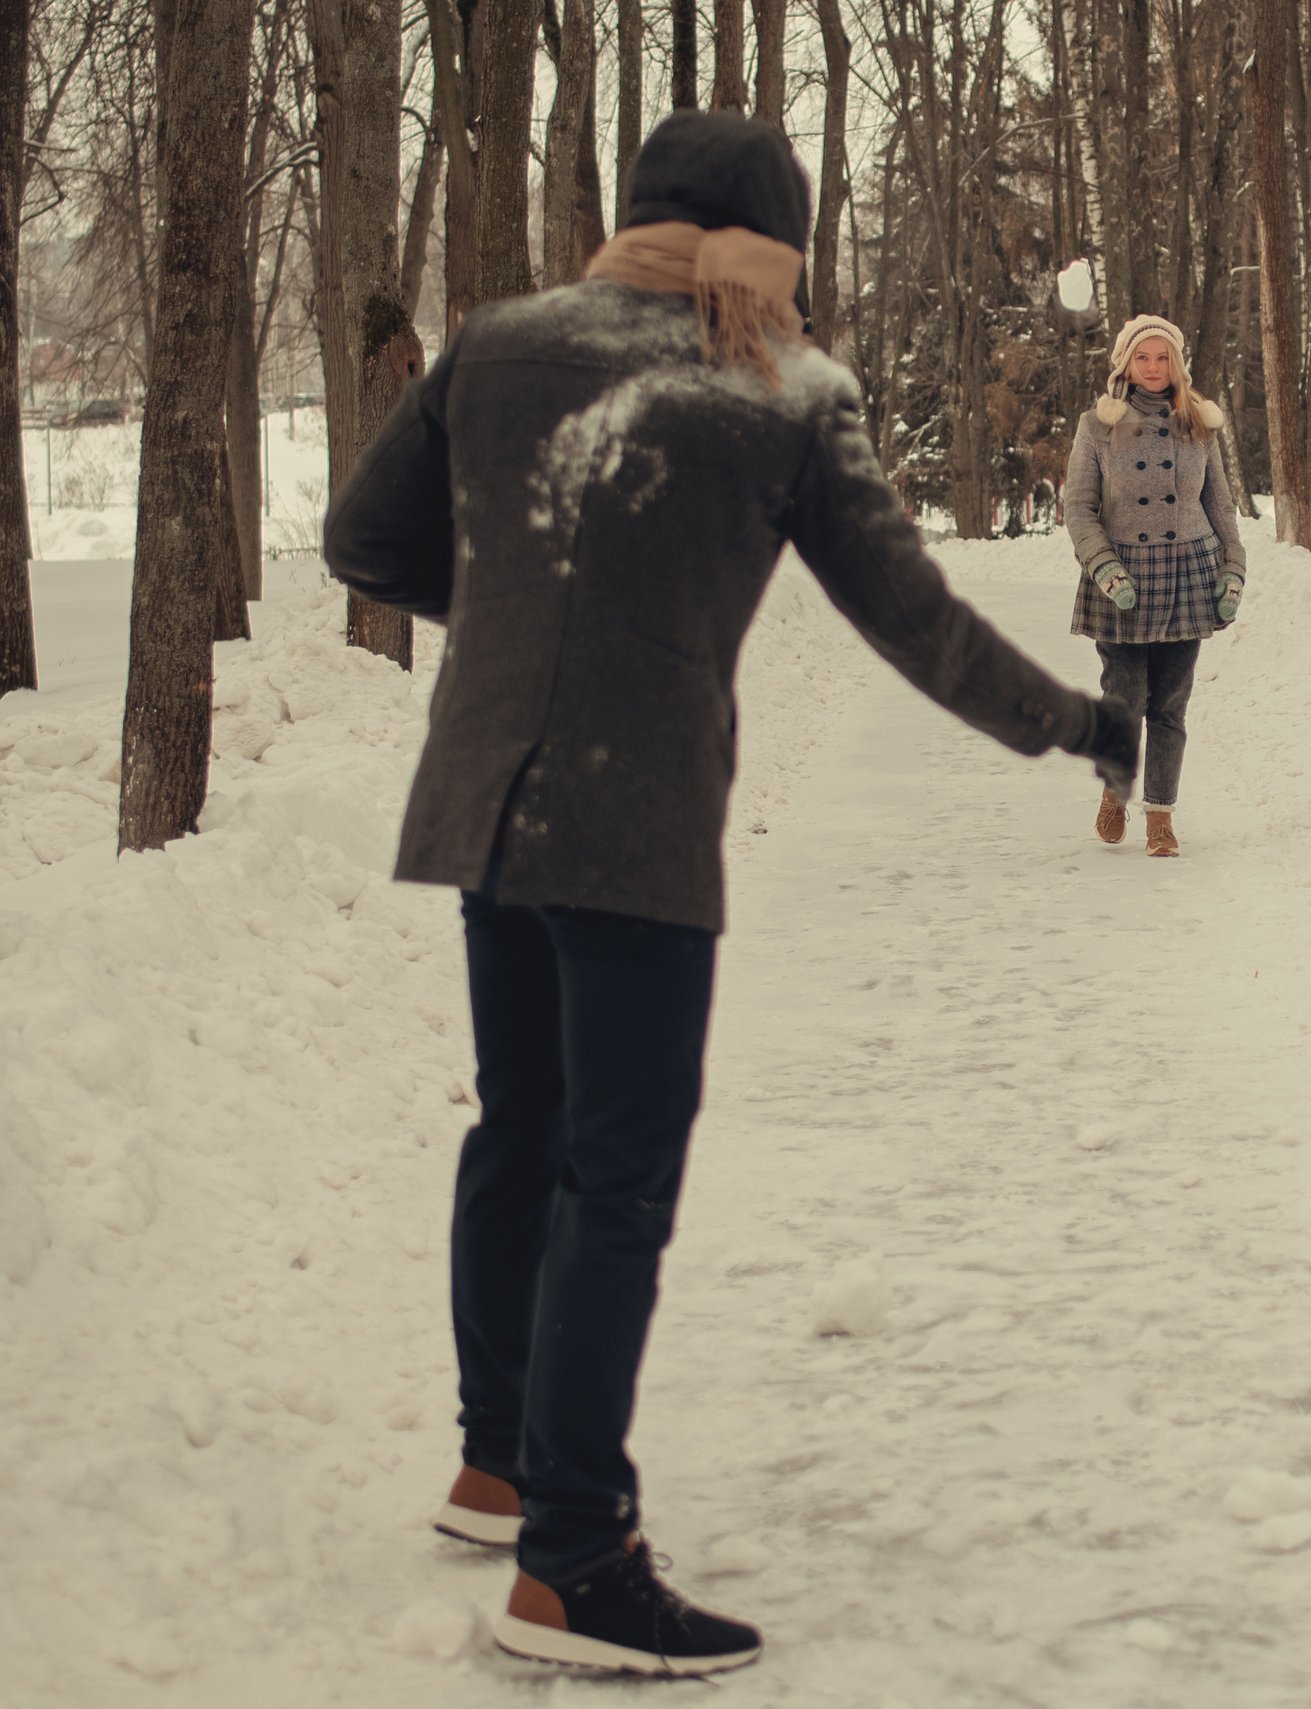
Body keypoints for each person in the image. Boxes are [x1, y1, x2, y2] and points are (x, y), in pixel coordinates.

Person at [322, 112, 1136, 1679]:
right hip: (632, 825)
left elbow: (365, 543)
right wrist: (1082, 721)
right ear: (778, 249)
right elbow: (917, 622)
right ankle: (571, 1555)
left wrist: (507, 628)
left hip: (493, 804)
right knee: (613, 1182)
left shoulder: (493, 344)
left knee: (521, 1127)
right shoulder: (780, 390)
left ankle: (498, 1462)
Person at [1064, 312, 1246, 857]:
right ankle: (1114, 791)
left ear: (1177, 364)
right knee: (1125, 698)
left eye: (1162, 357)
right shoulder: (1096, 424)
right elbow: (1078, 507)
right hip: (1123, 576)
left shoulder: (1200, 424)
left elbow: (1222, 507)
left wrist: (1233, 568)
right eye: (1142, 357)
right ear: (1125, 362)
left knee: (1169, 704)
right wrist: (1104, 567)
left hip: (1188, 575)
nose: (1152, 367)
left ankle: (1161, 817)